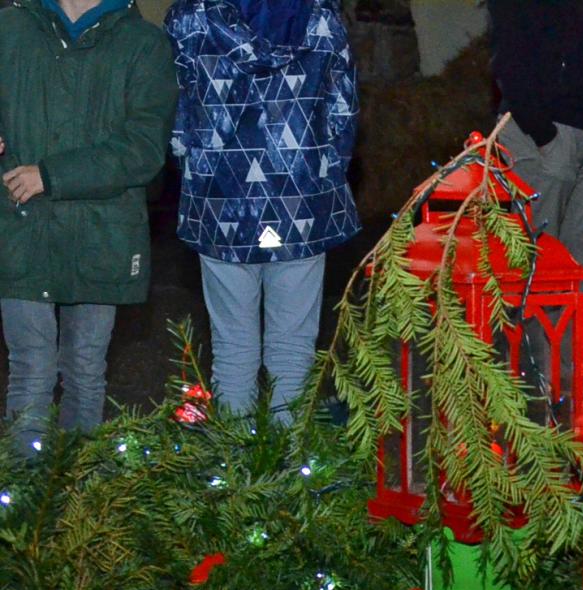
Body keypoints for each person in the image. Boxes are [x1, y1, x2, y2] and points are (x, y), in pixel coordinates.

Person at [167, 0, 359, 422]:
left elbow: (179, 116)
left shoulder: (191, 17)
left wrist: (197, 169)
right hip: (301, 203)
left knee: (232, 349)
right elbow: (342, 113)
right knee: (293, 351)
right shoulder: (321, 18)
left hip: (221, 204)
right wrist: (318, 171)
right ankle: (286, 474)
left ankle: (237, 477)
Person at [0, 0, 175, 440]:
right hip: (22, 227)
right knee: (30, 369)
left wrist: (52, 174)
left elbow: (143, 148)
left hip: (101, 234)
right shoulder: (11, 28)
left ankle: (79, 497)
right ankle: (28, 502)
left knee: (83, 370)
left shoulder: (143, 45)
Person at [490, 0, 583, 408]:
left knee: (582, 260)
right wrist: (543, 134)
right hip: (545, 136)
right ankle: (533, 385)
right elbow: (510, 61)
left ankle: (577, 378)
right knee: (535, 263)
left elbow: (577, 52)